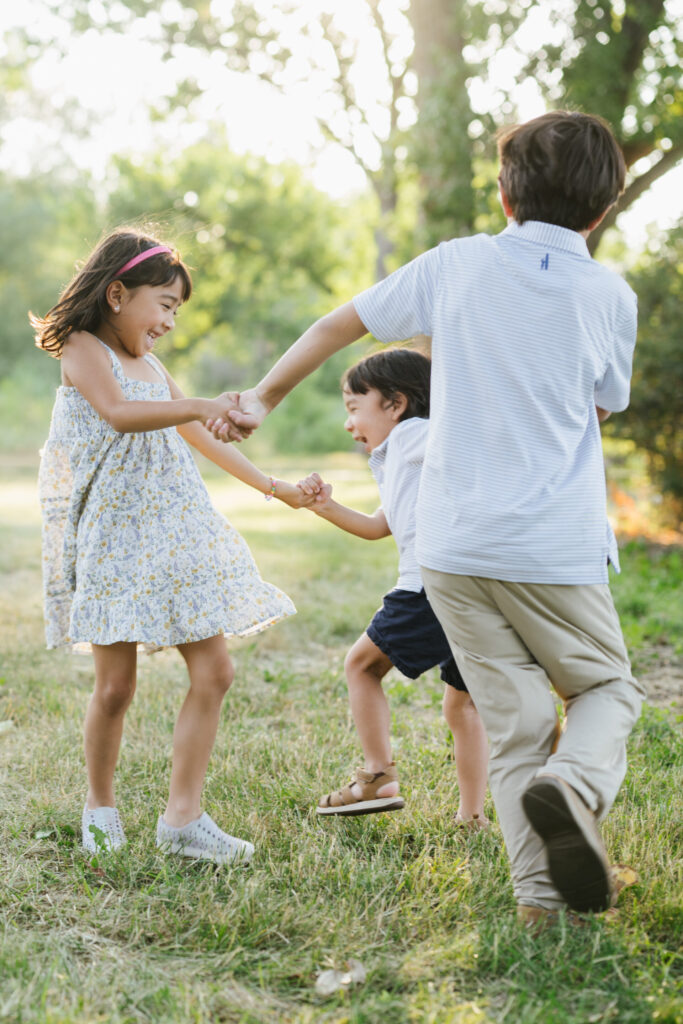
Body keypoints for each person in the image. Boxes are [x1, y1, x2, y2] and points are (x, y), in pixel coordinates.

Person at [209, 110, 645, 924]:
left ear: (505, 197)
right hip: (550, 544)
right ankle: (572, 787)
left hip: (449, 545)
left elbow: (341, 322)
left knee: (514, 722)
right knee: (604, 690)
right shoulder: (607, 295)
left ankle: (541, 901)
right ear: (601, 210)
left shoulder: (455, 266)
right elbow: (602, 405)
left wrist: (264, 396)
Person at [32, 227, 315, 865]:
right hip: (114, 539)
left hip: (177, 531)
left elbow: (204, 438)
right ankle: (99, 806)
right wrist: (198, 402)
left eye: (176, 311)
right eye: (164, 304)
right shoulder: (81, 348)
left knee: (215, 670)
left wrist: (277, 487)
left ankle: (183, 819)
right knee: (115, 688)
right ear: (116, 293)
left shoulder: (153, 367)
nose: (169, 322)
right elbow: (117, 413)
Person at [297, 348, 489, 823]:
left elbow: (456, 441)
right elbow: (378, 525)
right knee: (462, 705)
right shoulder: (403, 455)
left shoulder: (411, 436)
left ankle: (378, 774)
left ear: (396, 404)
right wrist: (324, 507)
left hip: (429, 586)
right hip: (475, 589)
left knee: (361, 665)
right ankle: (472, 815)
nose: (349, 423)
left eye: (353, 407)